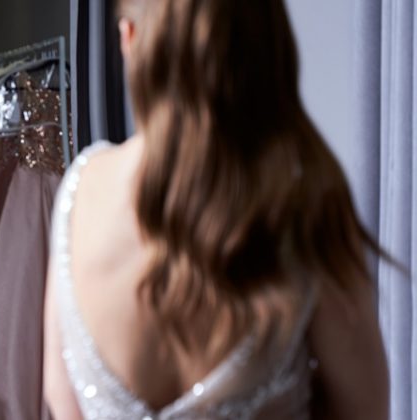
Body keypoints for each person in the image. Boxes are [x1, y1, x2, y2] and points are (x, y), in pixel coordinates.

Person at [43, 1, 389, 419]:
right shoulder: (302, 203)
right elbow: (364, 409)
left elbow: (63, 405)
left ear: (129, 39)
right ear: (268, 49)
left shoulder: (80, 196)